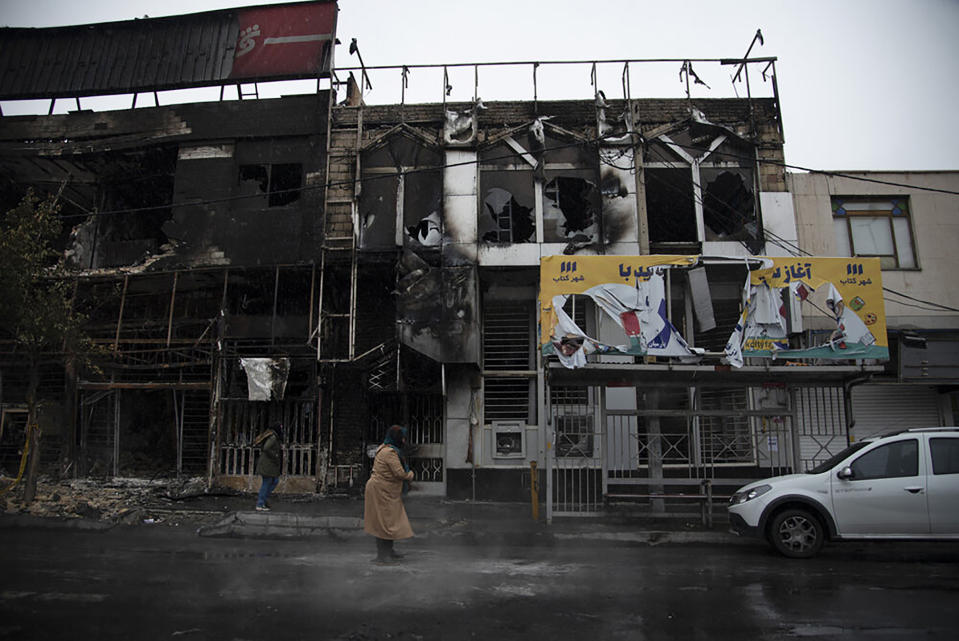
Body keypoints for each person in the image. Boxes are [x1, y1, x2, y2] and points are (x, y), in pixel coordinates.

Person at [363, 424, 415, 563]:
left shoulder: (387, 449)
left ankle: (388, 551)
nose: (404, 441)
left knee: (388, 522)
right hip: (381, 491)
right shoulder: (389, 452)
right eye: (402, 438)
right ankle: (383, 555)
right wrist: (410, 475)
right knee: (383, 523)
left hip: (385, 491)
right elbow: (400, 474)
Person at [254, 423, 282, 511]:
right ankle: (260, 503)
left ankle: (263, 501)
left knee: (273, 481)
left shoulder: (273, 436)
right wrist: (275, 455)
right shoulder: (273, 437)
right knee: (267, 483)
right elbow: (266, 448)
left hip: (269, 464)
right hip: (267, 464)